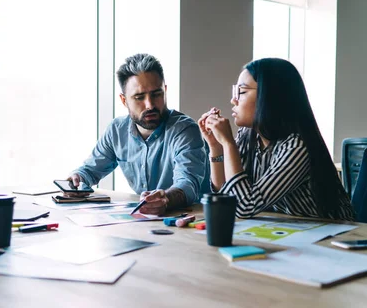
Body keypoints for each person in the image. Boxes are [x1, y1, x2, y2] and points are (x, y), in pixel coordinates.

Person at [198, 57, 354, 220]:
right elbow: (225, 196)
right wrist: (216, 147)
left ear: (270, 96)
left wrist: (228, 144)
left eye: (242, 92)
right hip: (290, 227)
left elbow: (245, 206)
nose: (233, 100)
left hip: (333, 231)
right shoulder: (248, 135)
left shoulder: (296, 146)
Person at [68, 53, 206, 215]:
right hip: (146, 220)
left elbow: (188, 183)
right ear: (124, 100)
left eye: (156, 94)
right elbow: (90, 171)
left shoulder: (185, 130)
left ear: (165, 91)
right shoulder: (117, 130)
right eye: (139, 97)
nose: (150, 104)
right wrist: (77, 179)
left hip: (191, 218)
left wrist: (166, 198)